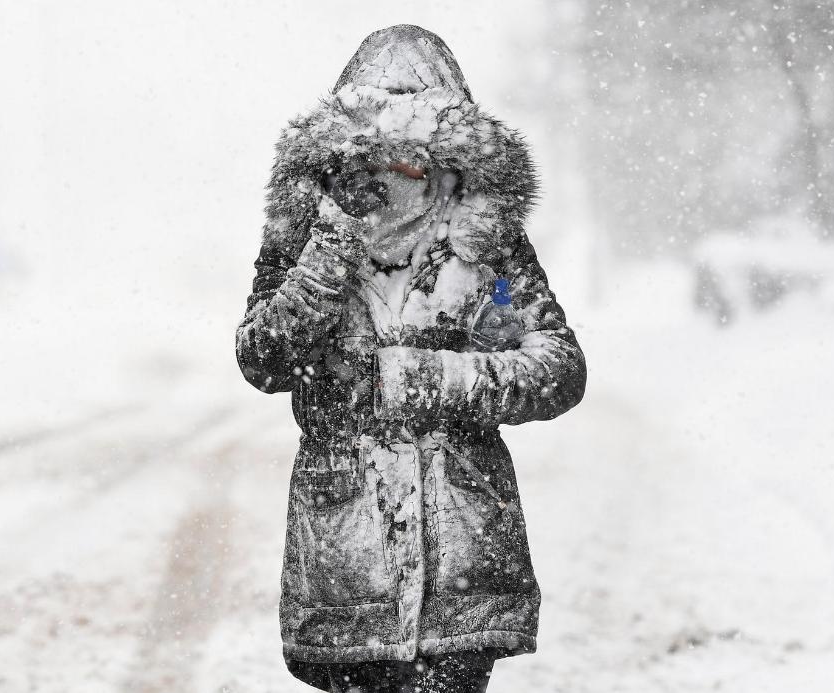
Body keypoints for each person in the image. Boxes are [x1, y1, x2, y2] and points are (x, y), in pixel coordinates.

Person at [236, 24, 587, 693]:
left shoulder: (485, 243)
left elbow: (558, 366)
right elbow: (263, 357)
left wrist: (437, 379)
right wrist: (329, 247)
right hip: (343, 563)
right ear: (346, 145)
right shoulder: (308, 230)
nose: (401, 164)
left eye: (420, 144)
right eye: (380, 146)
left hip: (463, 559)